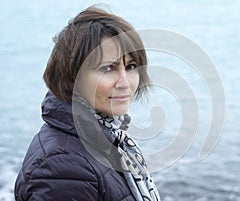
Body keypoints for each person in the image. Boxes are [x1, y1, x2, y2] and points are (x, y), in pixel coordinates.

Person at [14, 5, 160, 201]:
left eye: (131, 66)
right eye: (108, 68)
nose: (125, 82)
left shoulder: (107, 141)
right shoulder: (64, 166)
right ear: (73, 75)